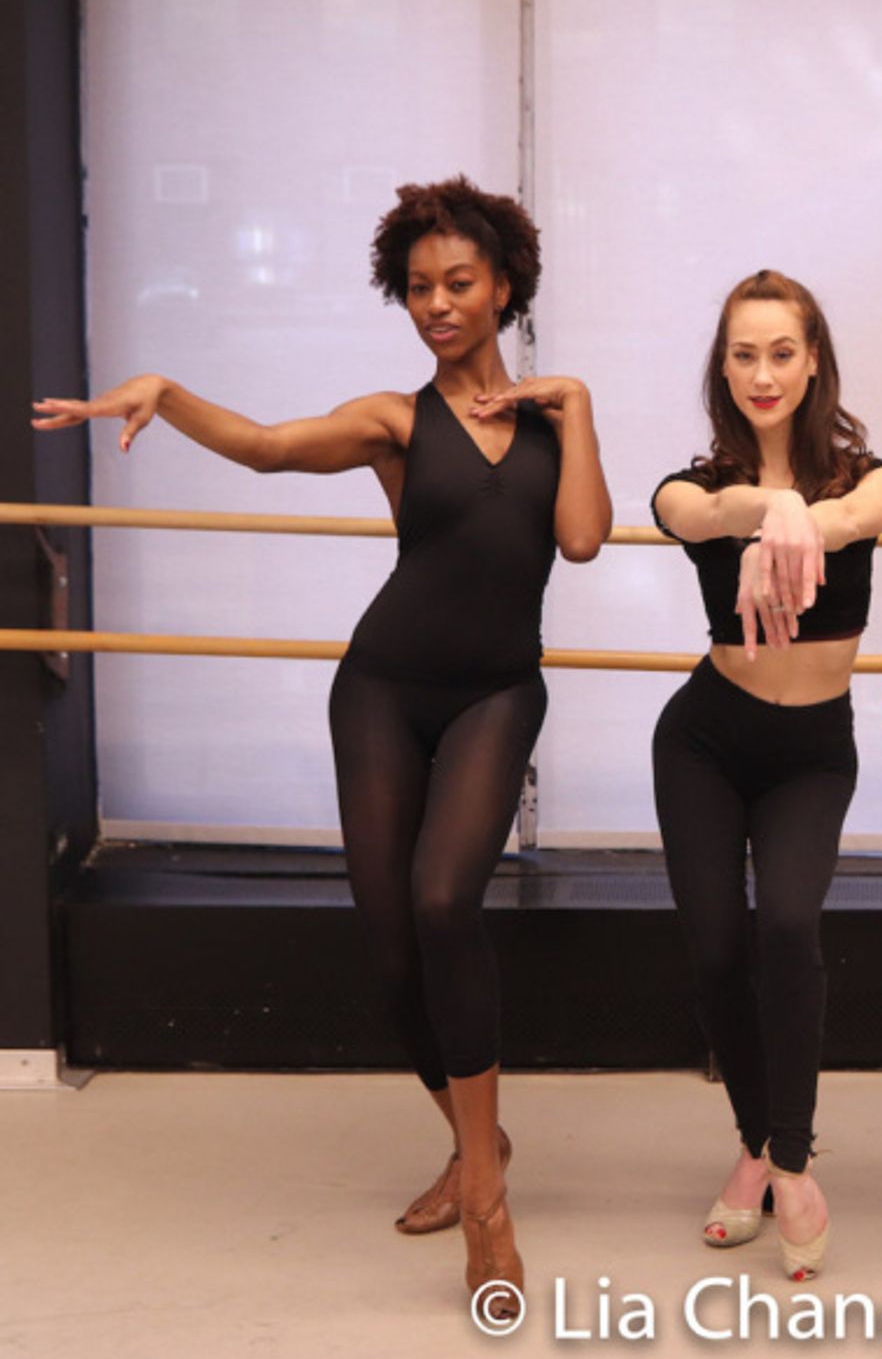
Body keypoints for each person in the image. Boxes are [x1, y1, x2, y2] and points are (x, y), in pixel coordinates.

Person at [33, 176, 612, 1313]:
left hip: (497, 692)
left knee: (446, 901)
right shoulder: (394, 421)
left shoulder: (554, 419)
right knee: (391, 936)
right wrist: (169, 393)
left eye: (457, 284)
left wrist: (580, 404)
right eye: (416, 290)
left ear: (503, 287)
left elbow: (584, 540)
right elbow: (261, 445)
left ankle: (484, 1202)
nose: (436, 306)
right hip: (382, 688)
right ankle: (475, 1144)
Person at [651, 269, 882, 1281]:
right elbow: (693, 518)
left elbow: (859, 518)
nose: (762, 372)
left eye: (782, 352)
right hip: (704, 741)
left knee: (789, 925)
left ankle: (791, 1161)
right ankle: (756, 1146)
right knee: (715, 948)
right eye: (743, 353)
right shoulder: (695, 483)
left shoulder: (874, 474)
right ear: (723, 365)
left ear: (813, 360)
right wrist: (769, 508)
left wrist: (808, 517)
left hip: (809, 750)